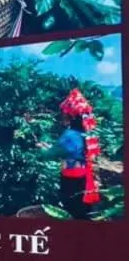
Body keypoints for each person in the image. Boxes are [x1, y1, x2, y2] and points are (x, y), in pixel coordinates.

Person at [44, 88, 100, 219]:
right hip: (84, 176)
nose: (62, 115)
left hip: (72, 178)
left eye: (64, 113)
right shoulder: (87, 132)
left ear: (71, 115)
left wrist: (43, 149)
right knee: (83, 209)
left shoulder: (70, 135)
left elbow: (50, 154)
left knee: (72, 209)